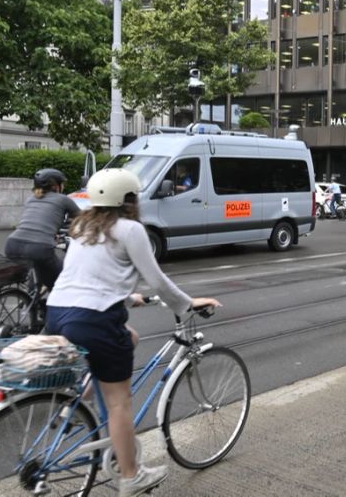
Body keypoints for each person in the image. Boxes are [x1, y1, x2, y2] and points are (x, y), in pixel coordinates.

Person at [45, 169, 220, 497]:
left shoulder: (82, 226)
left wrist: (128, 297)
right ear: (128, 199)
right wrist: (188, 303)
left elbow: (88, 275)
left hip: (58, 313)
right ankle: (131, 475)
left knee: (130, 337)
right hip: (95, 319)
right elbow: (157, 280)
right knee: (119, 403)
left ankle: (76, 404)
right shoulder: (131, 229)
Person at [5, 168, 80, 294]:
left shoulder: (30, 199)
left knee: (37, 268)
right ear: (56, 186)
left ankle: (31, 300)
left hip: (12, 245)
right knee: (63, 280)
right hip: (39, 248)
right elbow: (83, 218)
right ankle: (51, 307)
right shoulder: (63, 199)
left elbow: (38, 221)